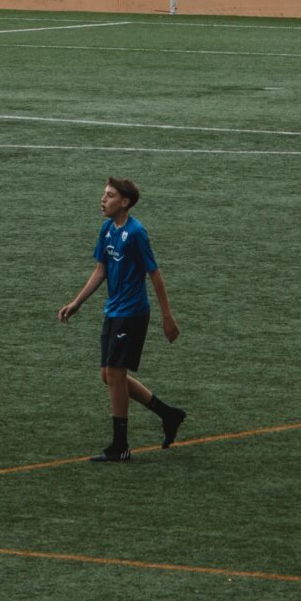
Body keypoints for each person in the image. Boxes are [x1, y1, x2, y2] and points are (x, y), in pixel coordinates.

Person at [58, 176, 184, 464]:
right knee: (108, 375)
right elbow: (100, 269)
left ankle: (120, 446)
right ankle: (169, 414)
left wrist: (167, 317)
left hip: (132, 313)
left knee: (115, 374)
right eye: (103, 194)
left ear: (124, 202)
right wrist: (77, 302)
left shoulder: (136, 233)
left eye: (109, 195)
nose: (103, 199)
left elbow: (155, 274)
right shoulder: (106, 229)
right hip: (113, 311)